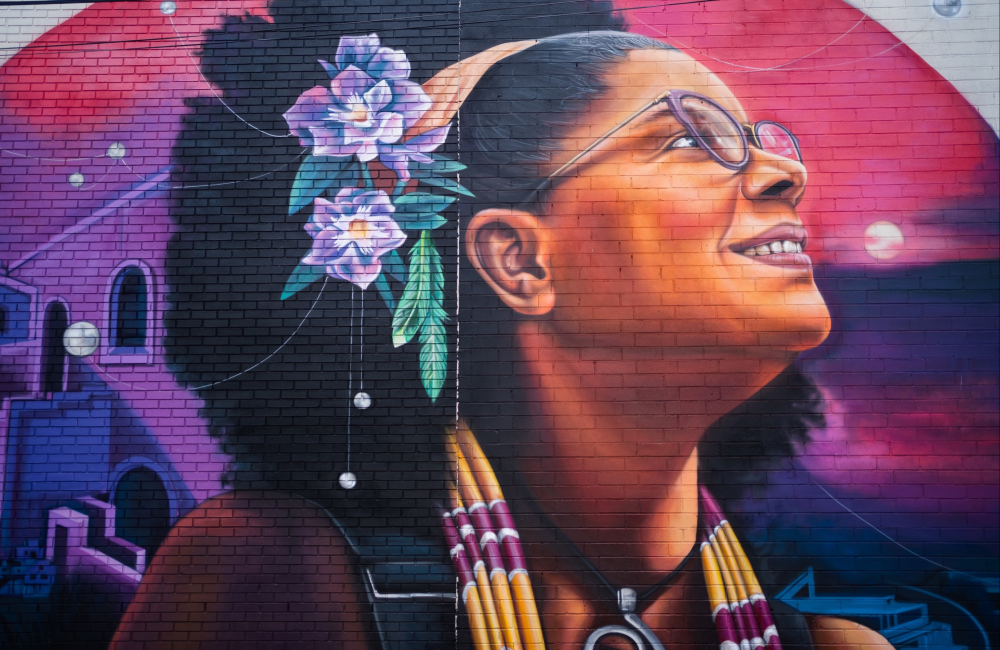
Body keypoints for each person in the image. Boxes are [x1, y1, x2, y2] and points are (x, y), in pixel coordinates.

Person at [110, 30, 893, 650]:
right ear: (518, 259)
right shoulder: (276, 582)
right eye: (692, 139)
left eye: (761, 139)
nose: (783, 174)